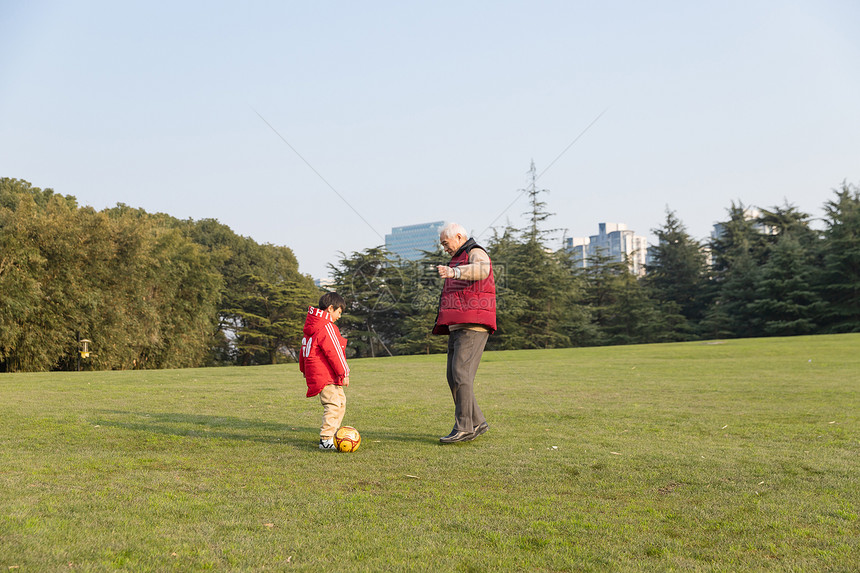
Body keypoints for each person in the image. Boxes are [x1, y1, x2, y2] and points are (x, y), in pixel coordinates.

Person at [433, 222, 496, 444]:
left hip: (473, 325)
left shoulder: (474, 251)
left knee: (460, 373)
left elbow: (483, 269)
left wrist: (454, 271)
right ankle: (477, 421)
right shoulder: (459, 255)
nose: (444, 248)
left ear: (459, 237)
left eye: (445, 243)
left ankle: (464, 427)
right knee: (454, 376)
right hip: (459, 325)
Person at [299, 292, 351, 451]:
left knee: (340, 403)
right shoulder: (327, 327)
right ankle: (326, 439)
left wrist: (304, 369)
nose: (339, 316)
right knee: (333, 404)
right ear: (330, 308)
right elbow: (335, 352)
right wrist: (344, 373)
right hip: (325, 375)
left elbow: (303, 351)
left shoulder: (312, 326)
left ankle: (334, 435)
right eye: (339, 312)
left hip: (320, 373)